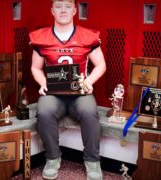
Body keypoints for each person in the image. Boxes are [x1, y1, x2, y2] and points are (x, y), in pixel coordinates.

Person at [29, 0, 106, 179]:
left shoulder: (87, 36)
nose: (62, 10)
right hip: (54, 93)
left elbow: (101, 64)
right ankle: (53, 158)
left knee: (89, 112)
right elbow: (35, 67)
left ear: (74, 10)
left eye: (67, 6)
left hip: (79, 92)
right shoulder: (41, 37)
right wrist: (43, 83)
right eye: (58, 6)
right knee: (44, 111)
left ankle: (92, 162)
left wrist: (89, 81)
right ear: (52, 11)